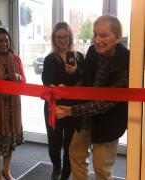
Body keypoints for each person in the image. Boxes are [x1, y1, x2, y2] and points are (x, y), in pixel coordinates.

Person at [56, 15, 129, 180]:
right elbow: (85, 81)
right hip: (86, 116)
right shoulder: (92, 52)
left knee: (101, 168)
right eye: (95, 35)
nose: (97, 40)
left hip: (108, 122)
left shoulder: (127, 61)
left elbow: (106, 103)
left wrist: (71, 111)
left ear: (118, 37)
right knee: (75, 153)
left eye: (103, 35)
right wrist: (67, 91)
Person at [41, 22, 84, 180]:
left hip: (73, 108)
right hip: (54, 106)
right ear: (54, 38)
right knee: (54, 142)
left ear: (70, 37)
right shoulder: (49, 59)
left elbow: (85, 80)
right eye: (59, 37)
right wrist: (54, 87)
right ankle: (56, 166)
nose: (62, 40)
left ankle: (66, 174)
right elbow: (46, 80)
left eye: (65, 37)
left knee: (70, 144)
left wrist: (77, 71)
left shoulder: (78, 56)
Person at [0, 27, 25, 180]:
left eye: (6, 40)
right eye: (0, 41)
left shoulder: (15, 59)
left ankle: (7, 170)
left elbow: (24, 81)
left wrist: (18, 77)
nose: (4, 43)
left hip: (12, 106)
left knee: (9, 142)